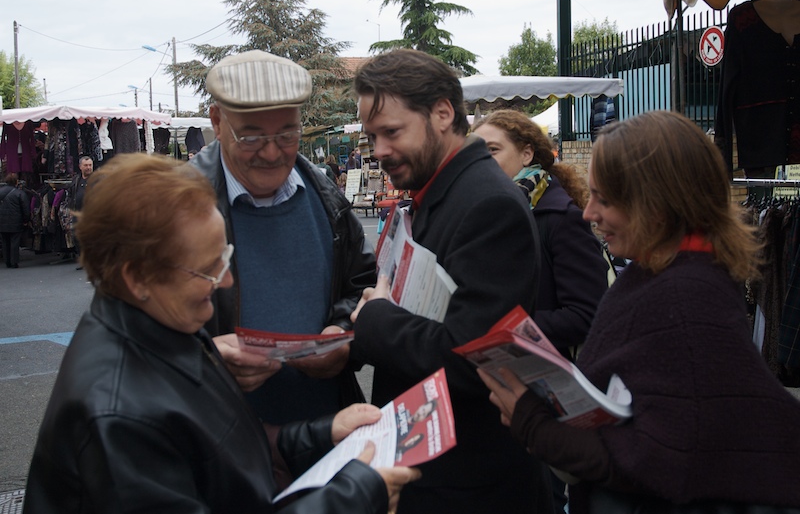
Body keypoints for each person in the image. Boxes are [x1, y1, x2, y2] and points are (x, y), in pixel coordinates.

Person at [22, 153, 420, 514]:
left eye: (225, 257)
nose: (226, 280)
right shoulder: (118, 418)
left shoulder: (161, 328)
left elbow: (225, 446)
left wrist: (322, 434)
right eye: (208, 267)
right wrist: (354, 498)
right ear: (137, 277)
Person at [477, 111, 800, 514]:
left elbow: (657, 460)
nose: (590, 213)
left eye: (605, 199)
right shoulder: (672, 272)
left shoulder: (685, 298)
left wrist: (532, 421)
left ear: (658, 203)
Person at [347, 49, 555, 514]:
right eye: (371, 136)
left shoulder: (487, 206)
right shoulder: (433, 193)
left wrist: (376, 319)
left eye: (392, 132)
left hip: (468, 484)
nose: (378, 150)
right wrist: (351, 338)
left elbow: (472, 358)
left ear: (443, 113)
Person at [190, 50, 377, 426]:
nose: (273, 152)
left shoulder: (326, 196)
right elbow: (133, 333)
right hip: (222, 446)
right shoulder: (178, 205)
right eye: (252, 136)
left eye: (287, 133)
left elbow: (362, 285)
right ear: (217, 121)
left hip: (327, 435)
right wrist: (205, 363)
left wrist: (343, 336)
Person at [472, 109, 609, 358]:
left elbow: (586, 313)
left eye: (492, 150)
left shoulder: (560, 217)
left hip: (545, 375)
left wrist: (503, 327)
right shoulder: (486, 212)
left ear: (526, 154)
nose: (482, 160)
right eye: (476, 153)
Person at [0, 173, 31, 269]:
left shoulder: (0, 192)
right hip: (16, 221)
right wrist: (26, 220)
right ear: (16, 182)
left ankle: (7, 261)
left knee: (5, 241)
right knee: (15, 242)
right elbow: (26, 208)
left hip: (2, 221)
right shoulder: (19, 193)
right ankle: (14, 261)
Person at [69, 155, 93, 270]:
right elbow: (71, 194)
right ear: (80, 167)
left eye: (90, 165)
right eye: (86, 165)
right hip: (77, 213)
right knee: (76, 236)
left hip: (91, 214)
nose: (88, 168)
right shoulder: (76, 180)